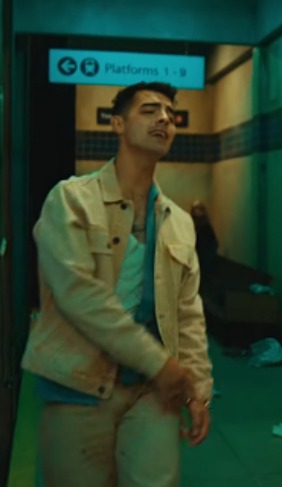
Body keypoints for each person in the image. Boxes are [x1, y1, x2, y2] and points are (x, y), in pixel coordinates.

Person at [21, 81, 214, 487]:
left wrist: (197, 389)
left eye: (170, 114)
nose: (164, 119)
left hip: (152, 393)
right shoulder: (71, 200)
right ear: (118, 124)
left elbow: (188, 314)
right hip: (79, 382)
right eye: (149, 110)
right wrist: (160, 364)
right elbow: (78, 293)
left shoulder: (178, 221)